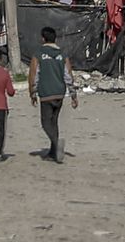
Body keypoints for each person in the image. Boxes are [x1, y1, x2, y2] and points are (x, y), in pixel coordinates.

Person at [28, 26, 77, 163]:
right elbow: (68, 75)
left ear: (43, 39)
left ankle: (56, 143)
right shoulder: (62, 55)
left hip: (46, 92)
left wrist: (32, 92)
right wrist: (73, 95)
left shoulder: (38, 54)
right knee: (54, 122)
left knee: (45, 122)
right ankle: (53, 152)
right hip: (59, 92)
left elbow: (33, 75)